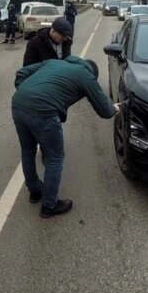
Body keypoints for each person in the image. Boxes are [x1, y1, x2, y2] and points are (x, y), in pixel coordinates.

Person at [12, 56, 119, 218]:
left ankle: (35, 191)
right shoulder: (86, 75)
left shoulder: (54, 62)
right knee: (55, 157)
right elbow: (106, 111)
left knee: (27, 150)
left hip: (18, 104)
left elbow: (21, 72)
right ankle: (49, 204)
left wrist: (26, 93)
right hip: (44, 112)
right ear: (93, 72)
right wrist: (115, 109)